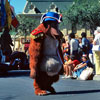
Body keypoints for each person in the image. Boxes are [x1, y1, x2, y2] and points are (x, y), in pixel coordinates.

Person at [29, 12, 64, 95]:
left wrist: (62, 63)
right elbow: (34, 52)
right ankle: (38, 88)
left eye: (57, 24)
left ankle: (47, 85)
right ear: (47, 24)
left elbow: (58, 49)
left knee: (54, 73)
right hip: (42, 59)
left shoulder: (57, 35)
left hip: (54, 57)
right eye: (54, 24)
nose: (56, 26)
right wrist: (33, 67)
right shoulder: (39, 34)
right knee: (44, 71)